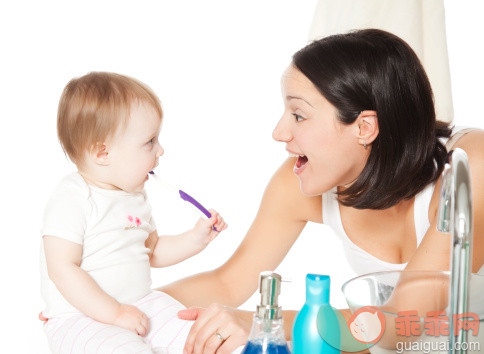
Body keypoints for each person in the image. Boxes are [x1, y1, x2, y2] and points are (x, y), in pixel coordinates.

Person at [158, 29, 484, 353]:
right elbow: (228, 283)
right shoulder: (299, 181)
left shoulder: (472, 167)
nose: (278, 132)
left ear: (364, 127)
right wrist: (131, 308)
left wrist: (263, 322)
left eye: (298, 115)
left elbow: (401, 321)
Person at [40, 72, 227, 353]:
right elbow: (62, 269)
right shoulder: (73, 197)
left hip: (139, 304)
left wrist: (196, 238)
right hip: (80, 317)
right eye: (149, 141)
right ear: (102, 152)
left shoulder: (135, 197)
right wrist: (114, 313)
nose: (160, 150)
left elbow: (152, 251)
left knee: (198, 336)